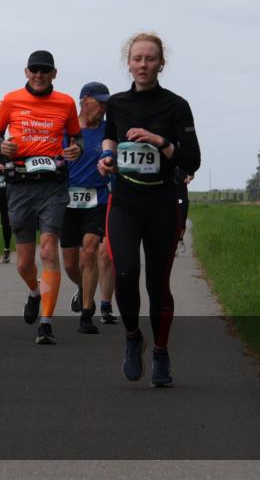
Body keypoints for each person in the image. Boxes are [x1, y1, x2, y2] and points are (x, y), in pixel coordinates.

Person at [97, 32, 201, 386]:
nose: (143, 65)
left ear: (161, 63)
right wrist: (107, 156)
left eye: (150, 59)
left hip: (161, 201)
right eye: (137, 59)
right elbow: (109, 136)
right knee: (124, 273)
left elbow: (193, 159)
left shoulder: (176, 105)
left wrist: (160, 142)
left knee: (157, 282)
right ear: (128, 62)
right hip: (124, 200)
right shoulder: (117, 103)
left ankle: (160, 351)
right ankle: (131, 338)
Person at [0, 50, 82, 345]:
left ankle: (46, 322)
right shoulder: (11, 99)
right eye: (34, 70)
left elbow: (76, 138)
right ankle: (33, 291)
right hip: (20, 186)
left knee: (48, 250)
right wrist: (1, 146)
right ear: (26, 72)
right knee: (24, 262)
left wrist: (76, 150)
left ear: (54, 74)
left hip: (53, 186)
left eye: (45, 71)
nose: (39, 75)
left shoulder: (66, 103)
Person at [60, 82, 112, 334]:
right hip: (67, 202)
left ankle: (86, 314)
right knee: (71, 264)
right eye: (99, 102)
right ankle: (83, 288)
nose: (103, 108)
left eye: (106, 103)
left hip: (97, 200)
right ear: (84, 100)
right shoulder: (66, 130)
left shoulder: (108, 131)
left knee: (89, 253)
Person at [175, 167, 194, 245]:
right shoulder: (170, 161)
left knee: (182, 222)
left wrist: (189, 178)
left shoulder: (186, 163)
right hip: (172, 194)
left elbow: (192, 175)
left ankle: (180, 239)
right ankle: (174, 245)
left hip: (183, 195)